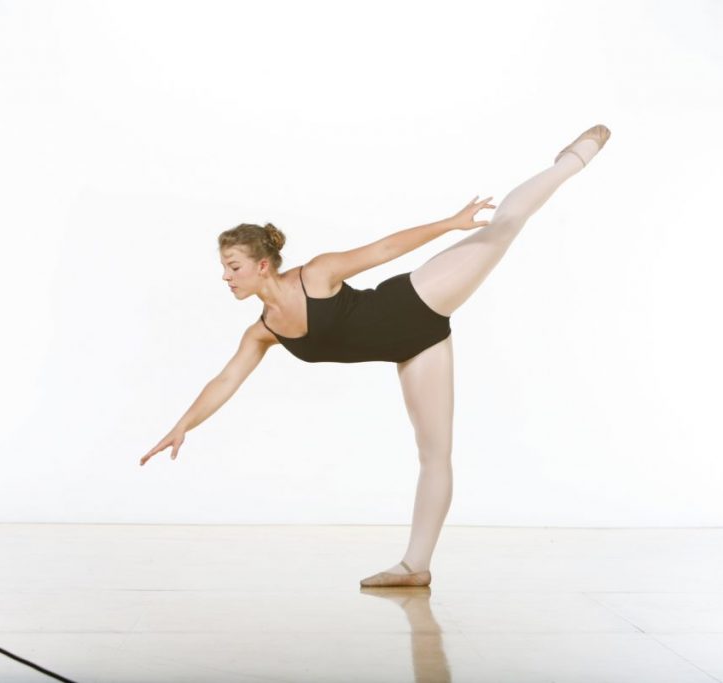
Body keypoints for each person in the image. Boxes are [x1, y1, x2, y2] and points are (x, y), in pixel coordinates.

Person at [140, 124, 612, 587]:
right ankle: (415, 567)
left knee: (503, 228)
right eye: (225, 268)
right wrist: (184, 424)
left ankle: (573, 159)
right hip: (416, 348)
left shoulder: (317, 274)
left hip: (420, 299)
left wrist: (451, 223)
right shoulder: (262, 333)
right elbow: (225, 381)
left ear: (262, 265)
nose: (227, 277)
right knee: (434, 454)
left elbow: (384, 249)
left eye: (233, 266)